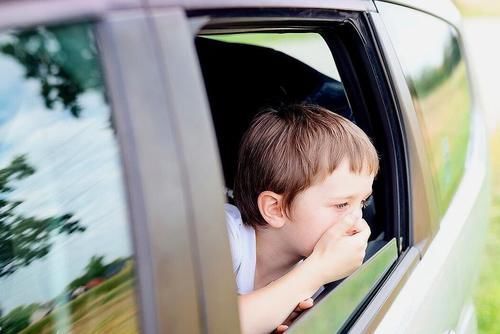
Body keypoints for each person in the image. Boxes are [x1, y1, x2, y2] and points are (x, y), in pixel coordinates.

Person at [225, 104, 378, 334]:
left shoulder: (308, 284)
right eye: (341, 204)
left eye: (363, 203)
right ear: (276, 209)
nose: (358, 221)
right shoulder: (224, 237)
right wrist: (317, 270)